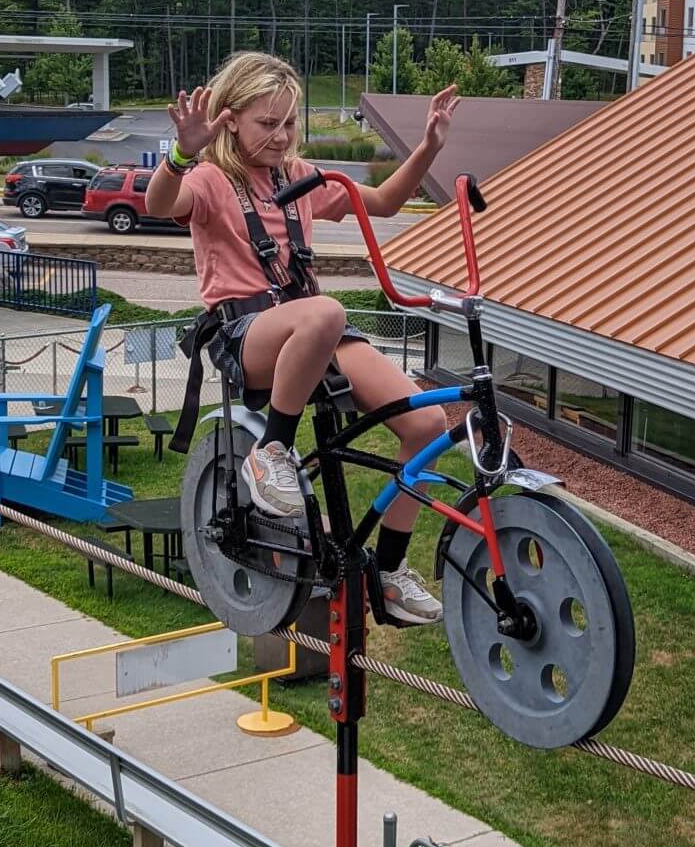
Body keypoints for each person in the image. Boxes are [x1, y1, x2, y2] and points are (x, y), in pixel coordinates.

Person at [145, 51, 460, 626]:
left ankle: (388, 574)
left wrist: (429, 147)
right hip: (248, 332)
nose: (281, 135)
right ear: (231, 119)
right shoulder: (211, 181)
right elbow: (159, 203)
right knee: (323, 312)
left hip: (317, 327)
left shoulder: (299, 177)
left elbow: (385, 202)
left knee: (427, 426)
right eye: (268, 124)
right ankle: (271, 453)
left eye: (290, 123)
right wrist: (180, 154)